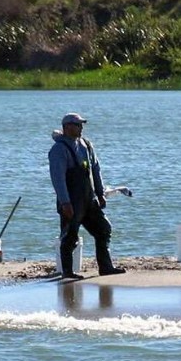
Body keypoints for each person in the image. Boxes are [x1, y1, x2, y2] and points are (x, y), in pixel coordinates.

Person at [49, 112, 126, 279]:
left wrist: (100, 193)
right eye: (77, 125)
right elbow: (58, 179)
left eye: (81, 125)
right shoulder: (59, 149)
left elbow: (95, 170)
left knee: (104, 229)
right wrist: (65, 202)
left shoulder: (86, 145)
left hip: (89, 200)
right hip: (71, 202)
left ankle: (106, 267)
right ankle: (67, 272)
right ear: (67, 127)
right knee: (70, 237)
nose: (81, 128)